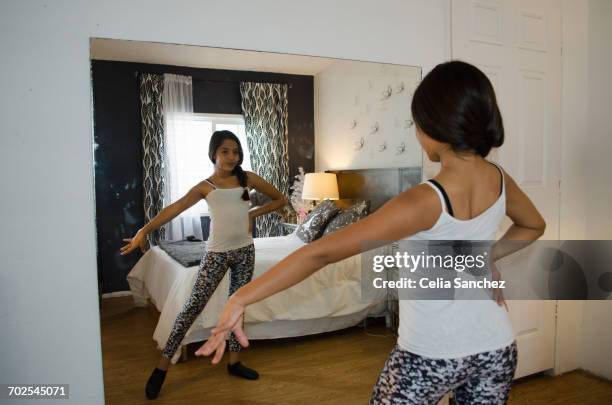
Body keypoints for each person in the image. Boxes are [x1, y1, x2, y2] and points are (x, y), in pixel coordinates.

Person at [195, 61, 547, 404]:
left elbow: (321, 253)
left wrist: (240, 298)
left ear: (433, 125)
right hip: (496, 346)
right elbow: (533, 224)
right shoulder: (499, 179)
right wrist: (487, 256)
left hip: (431, 354)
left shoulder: (422, 202)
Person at [120, 130, 287, 400]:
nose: (232, 156)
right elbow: (173, 209)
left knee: (238, 306)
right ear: (213, 153)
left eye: (236, 151)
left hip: (245, 252)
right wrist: (144, 230)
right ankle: (161, 368)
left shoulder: (248, 180)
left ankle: (234, 363)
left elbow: (281, 199)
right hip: (216, 255)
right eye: (225, 151)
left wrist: (254, 212)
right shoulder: (205, 187)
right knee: (191, 307)